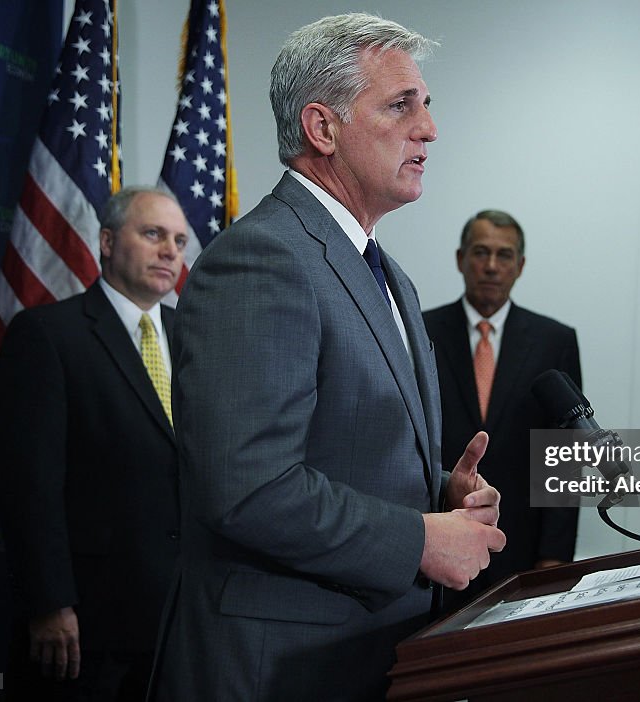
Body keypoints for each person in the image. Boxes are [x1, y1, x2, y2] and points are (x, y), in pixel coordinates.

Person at [149, 14, 505, 701]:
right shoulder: (262, 261)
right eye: (401, 105)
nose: (428, 128)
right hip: (278, 666)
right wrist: (420, 541)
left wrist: (439, 496)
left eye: (426, 104)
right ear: (322, 127)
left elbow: (341, 450)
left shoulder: (387, 273)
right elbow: (249, 486)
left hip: (368, 653)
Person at [0, 187, 189, 701]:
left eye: (180, 241)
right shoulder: (48, 335)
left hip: (183, 616)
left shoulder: (193, 338)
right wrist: (49, 602)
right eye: (153, 234)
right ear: (105, 241)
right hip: (90, 625)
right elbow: (30, 485)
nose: (170, 251)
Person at [423, 210, 581, 610]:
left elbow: (565, 457)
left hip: (524, 550)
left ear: (520, 265)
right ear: (461, 259)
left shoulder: (555, 340)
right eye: (480, 252)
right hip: (439, 542)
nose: (491, 266)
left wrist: (555, 556)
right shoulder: (420, 332)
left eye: (504, 255)